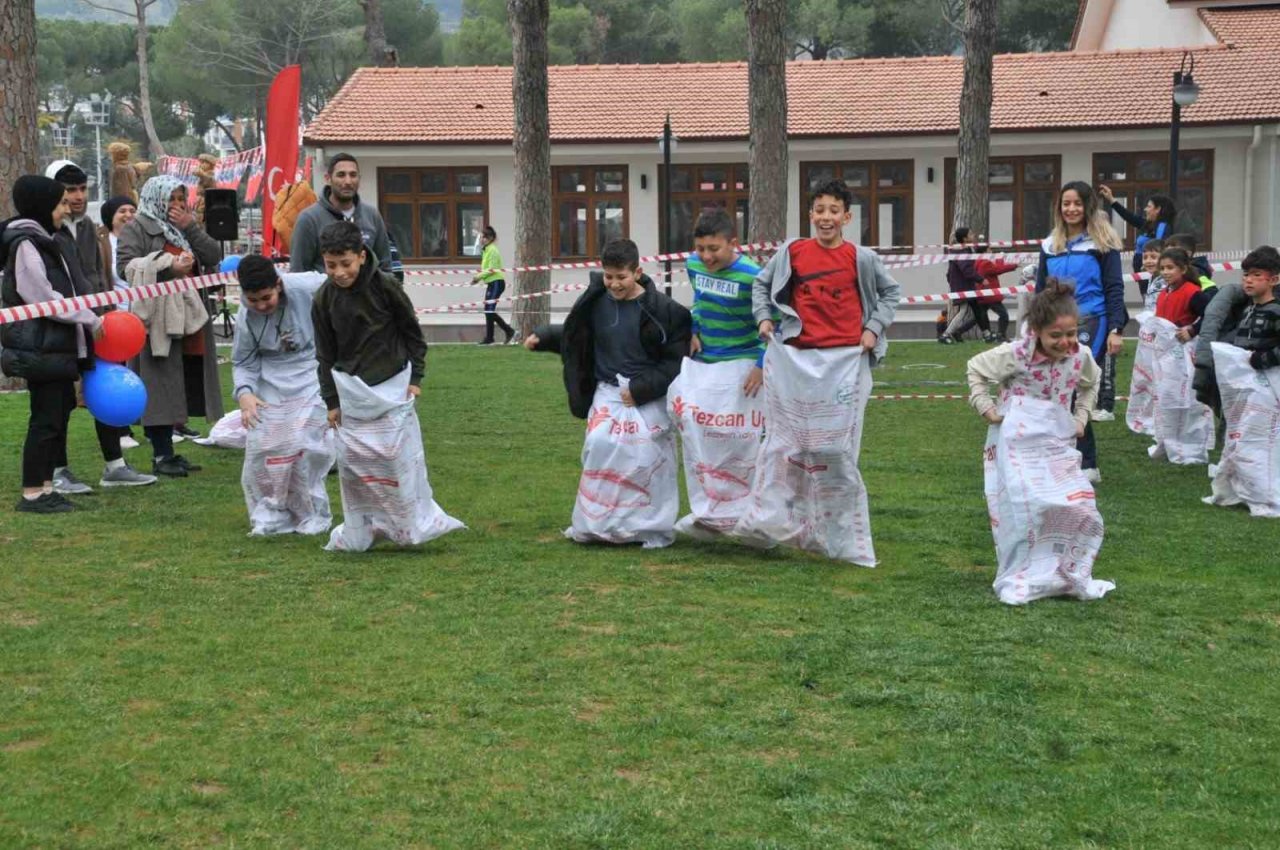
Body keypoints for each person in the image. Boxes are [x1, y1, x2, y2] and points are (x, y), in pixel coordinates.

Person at [740, 178, 901, 565]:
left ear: (846, 217)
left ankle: (839, 533)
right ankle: (781, 523)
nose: (825, 218)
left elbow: (890, 293)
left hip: (845, 363)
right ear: (810, 214)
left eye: (834, 211)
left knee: (836, 450)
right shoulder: (792, 252)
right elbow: (761, 287)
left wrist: (872, 329)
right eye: (819, 210)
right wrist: (764, 319)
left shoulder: (861, 258)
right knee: (790, 445)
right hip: (798, 361)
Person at [525, 238, 691, 547]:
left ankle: (646, 527)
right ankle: (597, 523)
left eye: (621, 277)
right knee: (600, 446)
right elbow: (578, 335)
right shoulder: (595, 302)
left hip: (646, 398)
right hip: (608, 394)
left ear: (638, 272)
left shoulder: (665, 312)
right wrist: (545, 336)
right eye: (609, 276)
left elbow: (675, 363)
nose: (614, 284)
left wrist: (641, 389)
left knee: (644, 457)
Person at [312, 221, 460, 550]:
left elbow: (412, 334)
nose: (338, 272)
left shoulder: (385, 286)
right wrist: (331, 401)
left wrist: (416, 378)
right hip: (352, 391)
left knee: (394, 458)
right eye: (330, 265)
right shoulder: (323, 299)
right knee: (354, 464)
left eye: (345, 264)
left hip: (392, 383)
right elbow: (324, 354)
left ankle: (409, 524)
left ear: (361, 257)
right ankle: (362, 528)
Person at [966, 279, 1111, 604]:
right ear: (1036, 332)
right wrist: (986, 407)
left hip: (1056, 441)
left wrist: (1081, 417)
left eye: (1071, 333)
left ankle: (1064, 572)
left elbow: (1092, 380)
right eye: (1055, 336)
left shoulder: (1080, 356)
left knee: (1078, 505)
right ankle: (1021, 574)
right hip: (1015, 443)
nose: (1065, 342)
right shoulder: (1015, 355)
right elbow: (975, 367)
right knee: (1024, 509)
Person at [45, 162, 157, 489]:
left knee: (107, 389)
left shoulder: (89, 229)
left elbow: (99, 277)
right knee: (61, 400)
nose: (78, 197)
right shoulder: (46, 231)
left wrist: (105, 315)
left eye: (82, 189)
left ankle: (115, 465)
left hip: (99, 324)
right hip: (61, 327)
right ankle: (58, 470)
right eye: (70, 190)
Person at [1, 176, 103, 513]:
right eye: (60, 203)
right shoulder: (26, 243)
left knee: (57, 415)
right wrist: (88, 317)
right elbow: (42, 296)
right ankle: (33, 493)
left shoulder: (45, 239)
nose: (65, 209)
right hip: (40, 347)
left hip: (55, 346)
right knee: (45, 420)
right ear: (43, 206)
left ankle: (45, 488)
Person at [116, 175, 224, 477]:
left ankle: (172, 450)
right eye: (170, 199)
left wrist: (190, 226)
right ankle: (161, 453)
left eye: (180, 199)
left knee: (185, 379)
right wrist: (167, 265)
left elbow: (213, 255)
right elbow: (126, 267)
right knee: (160, 382)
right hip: (157, 320)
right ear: (155, 198)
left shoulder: (185, 227)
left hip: (192, 316)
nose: (176, 205)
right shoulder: (136, 227)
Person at [232, 255, 334, 535]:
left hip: (311, 368)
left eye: (267, 297)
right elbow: (243, 361)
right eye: (253, 300)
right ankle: (272, 510)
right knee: (263, 447)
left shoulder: (307, 287)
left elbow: (340, 283)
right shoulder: (245, 316)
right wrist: (244, 394)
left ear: (278, 284)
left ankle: (312, 511)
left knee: (304, 444)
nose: (261, 306)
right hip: (271, 377)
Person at [1035, 180, 1125, 483]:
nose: (1071, 209)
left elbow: (1114, 288)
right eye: (1065, 203)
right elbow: (1039, 290)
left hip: (1091, 322)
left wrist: (1116, 328)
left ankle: (1088, 464)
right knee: (1053, 389)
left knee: (1076, 388)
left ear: (1088, 206)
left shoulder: (1103, 243)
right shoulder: (1050, 245)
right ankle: (1061, 455)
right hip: (1055, 324)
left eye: (1076, 203)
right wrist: (1033, 327)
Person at [687, 209, 766, 394]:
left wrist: (761, 365)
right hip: (706, 361)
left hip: (745, 364)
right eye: (700, 248)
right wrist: (693, 329)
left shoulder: (753, 276)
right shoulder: (693, 264)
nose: (706, 256)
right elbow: (699, 298)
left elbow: (774, 324)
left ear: (733, 244)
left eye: (714, 249)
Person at [289, 153, 391, 274]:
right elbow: (299, 273)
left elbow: (385, 267)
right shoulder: (309, 219)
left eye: (353, 175)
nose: (348, 181)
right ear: (328, 178)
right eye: (341, 175)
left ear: (359, 178)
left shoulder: (372, 216)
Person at [1097, 186, 1177, 286]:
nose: (1145, 209)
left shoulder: (1162, 227)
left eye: (1149, 206)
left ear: (1158, 209)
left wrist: (1151, 264)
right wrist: (1111, 199)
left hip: (1152, 274)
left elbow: (1161, 248)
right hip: (1144, 273)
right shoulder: (1148, 225)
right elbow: (1129, 217)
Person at [1229, 246, 1280, 369]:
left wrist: (1261, 359)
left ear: (1274, 280)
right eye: (1246, 275)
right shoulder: (1247, 310)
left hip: (1270, 382)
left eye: (1257, 275)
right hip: (1246, 380)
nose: (1249, 280)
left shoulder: (1276, 311)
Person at [938, 228, 985, 344]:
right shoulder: (960, 251)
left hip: (965, 285)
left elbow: (950, 273)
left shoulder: (966, 249)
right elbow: (966, 269)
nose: (973, 235)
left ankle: (985, 332)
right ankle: (946, 334)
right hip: (962, 286)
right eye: (970, 234)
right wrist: (981, 279)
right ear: (964, 238)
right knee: (963, 311)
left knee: (973, 310)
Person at [472, 225, 514, 345]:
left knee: (489, 310)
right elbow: (486, 269)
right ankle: (490, 337)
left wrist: (477, 277)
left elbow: (491, 269)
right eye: (482, 237)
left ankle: (509, 331)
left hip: (496, 283)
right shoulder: (486, 250)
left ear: (491, 238)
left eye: (485, 237)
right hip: (491, 283)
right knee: (488, 310)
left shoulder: (492, 250)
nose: (482, 239)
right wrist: (478, 278)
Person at [973, 251, 1017, 343]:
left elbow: (996, 268)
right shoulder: (986, 263)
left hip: (982, 294)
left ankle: (988, 336)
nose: (991, 251)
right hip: (990, 295)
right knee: (1003, 315)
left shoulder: (978, 261)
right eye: (989, 249)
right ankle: (1001, 335)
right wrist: (1013, 265)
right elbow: (999, 269)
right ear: (985, 251)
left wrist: (999, 259)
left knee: (979, 316)